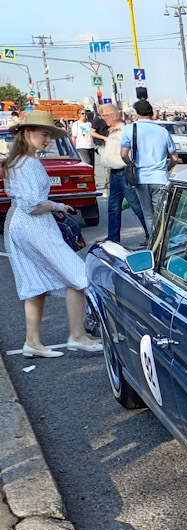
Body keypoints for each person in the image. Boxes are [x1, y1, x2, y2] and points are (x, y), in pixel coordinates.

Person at [1, 110, 103, 358]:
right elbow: (34, 205)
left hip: (18, 225)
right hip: (34, 226)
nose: (48, 140)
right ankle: (77, 335)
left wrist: (53, 208)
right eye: (44, 134)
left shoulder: (15, 162)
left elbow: (27, 203)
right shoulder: (30, 163)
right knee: (79, 275)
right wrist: (57, 206)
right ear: (27, 133)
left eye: (50, 135)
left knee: (35, 283)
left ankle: (32, 342)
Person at [120, 100, 177, 234]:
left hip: (141, 178)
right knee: (162, 214)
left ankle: (154, 245)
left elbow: (123, 154)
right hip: (160, 178)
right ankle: (164, 242)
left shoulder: (130, 129)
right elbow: (174, 157)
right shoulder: (162, 131)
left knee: (148, 215)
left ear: (137, 114)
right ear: (152, 113)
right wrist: (166, 169)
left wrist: (131, 166)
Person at [98, 103, 149, 244]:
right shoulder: (112, 130)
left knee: (137, 206)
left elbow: (130, 153)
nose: (103, 118)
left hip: (124, 173)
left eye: (105, 115)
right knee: (113, 208)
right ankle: (112, 239)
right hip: (114, 174)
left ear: (115, 115)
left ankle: (150, 234)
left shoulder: (124, 131)